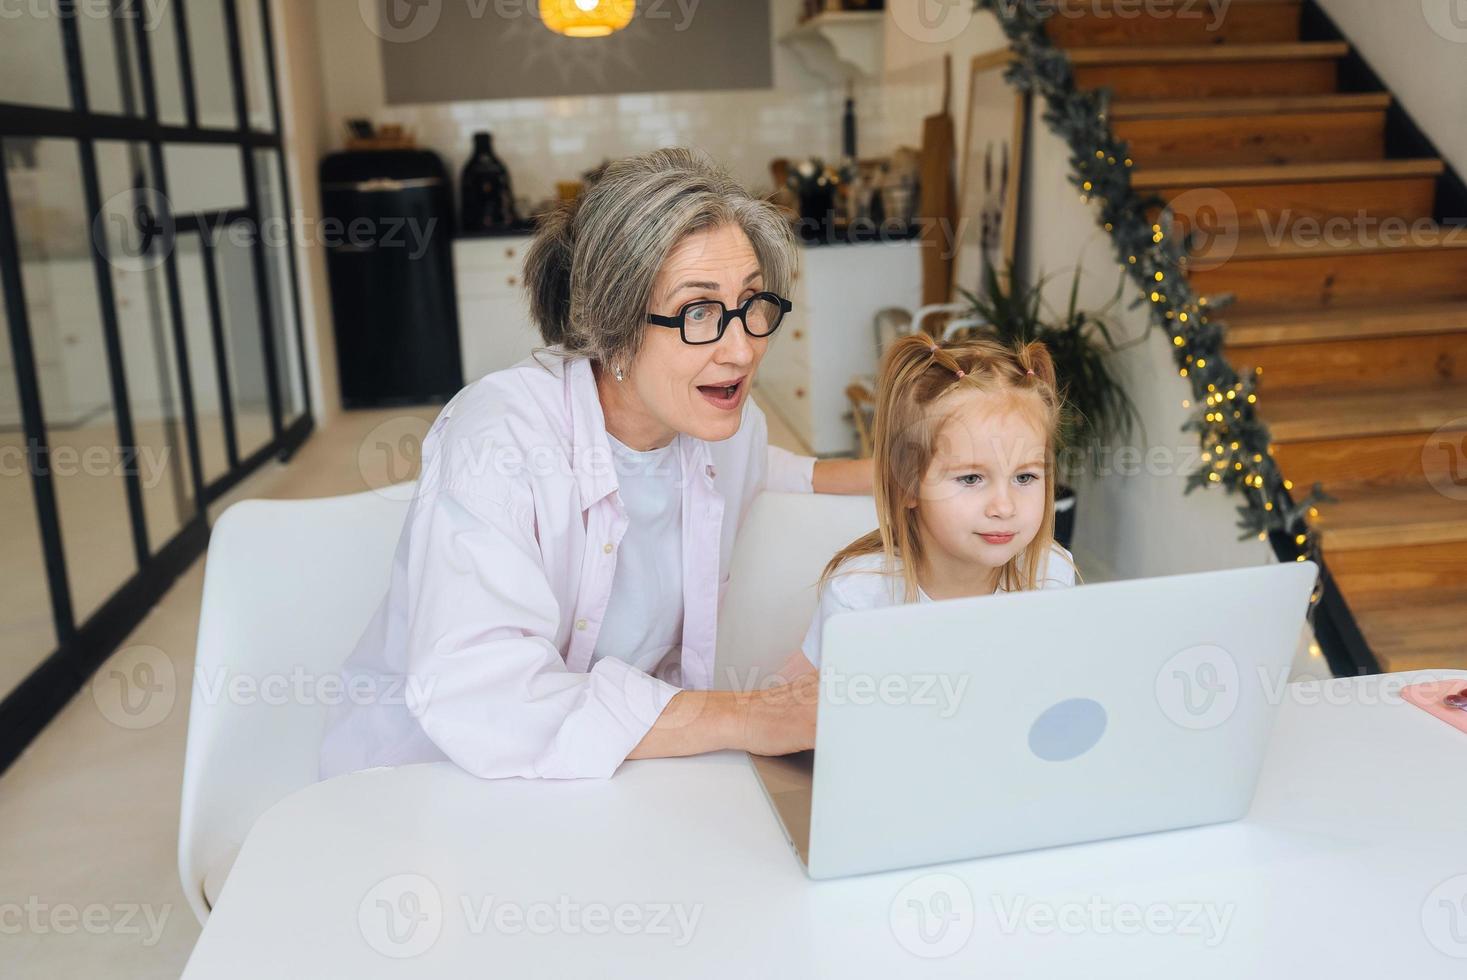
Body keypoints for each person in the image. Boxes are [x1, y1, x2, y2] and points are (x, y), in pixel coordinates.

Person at [319, 148, 870, 781]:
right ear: (610, 328)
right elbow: (480, 692)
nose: (742, 347)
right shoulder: (499, 438)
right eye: (699, 312)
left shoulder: (723, 425)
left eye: (753, 302)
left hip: (611, 783)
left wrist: (902, 473)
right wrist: (751, 715)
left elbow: (766, 469)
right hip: (431, 779)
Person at [784, 334, 1079, 677]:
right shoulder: (860, 595)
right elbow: (801, 709)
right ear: (908, 484)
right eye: (971, 479)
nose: (1004, 506)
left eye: (1025, 478)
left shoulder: (1050, 574)